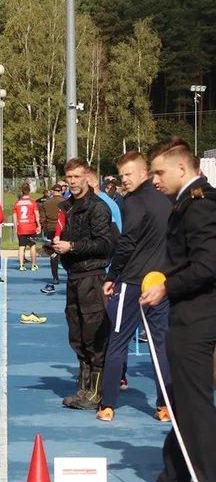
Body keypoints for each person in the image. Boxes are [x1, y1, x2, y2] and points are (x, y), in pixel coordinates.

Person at [138, 137, 216, 482]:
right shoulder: (186, 203)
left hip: (198, 316)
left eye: (158, 171)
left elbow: (207, 265)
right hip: (189, 314)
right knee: (182, 400)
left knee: (194, 402)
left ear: (182, 168)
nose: (154, 179)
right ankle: (175, 477)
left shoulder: (199, 206)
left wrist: (166, 287)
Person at [97, 151, 172, 423]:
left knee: (117, 341)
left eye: (129, 174)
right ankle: (165, 406)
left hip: (132, 283)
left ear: (144, 173)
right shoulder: (167, 198)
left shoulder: (135, 201)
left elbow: (127, 243)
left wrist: (112, 276)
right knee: (161, 345)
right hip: (160, 283)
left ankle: (107, 404)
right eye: (121, 175)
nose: (124, 180)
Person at [52, 158, 113, 410]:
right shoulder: (66, 206)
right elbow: (65, 237)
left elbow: (105, 244)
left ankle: (96, 391)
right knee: (76, 333)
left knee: (94, 332)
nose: (73, 182)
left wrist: (73, 246)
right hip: (74, 275)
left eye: (77, 177)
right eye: (69, 177)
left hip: (92, 276)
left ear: (87, 176)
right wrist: (56, 247)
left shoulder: (98, 208)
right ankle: (84, 387)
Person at [39, 183, 65, 293]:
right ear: (61, 191)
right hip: (63, 229)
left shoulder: (47, 203)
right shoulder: (65, 202)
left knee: (53, 253)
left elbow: (42, 218)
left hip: (50, 229)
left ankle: (55, 277)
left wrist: (45, 229)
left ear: (53, 191)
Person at [13, 182, 40, 271]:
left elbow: (15, 216)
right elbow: (36, 215)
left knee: (21, 246)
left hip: (21, 227)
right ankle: (33, 265)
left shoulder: (17, 203)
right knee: (32, 246)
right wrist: (38, 225)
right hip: (31, 227)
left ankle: (21, 265)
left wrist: (16, 226)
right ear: (29, 191)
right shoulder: (32, 203)